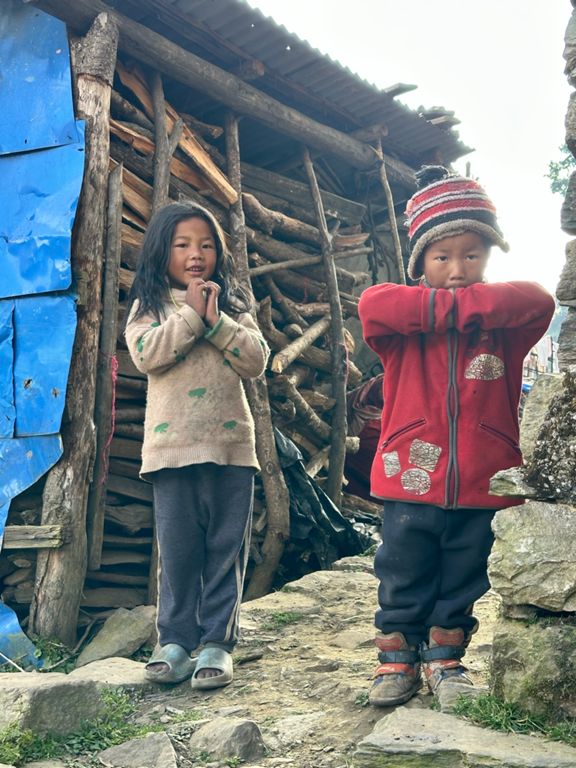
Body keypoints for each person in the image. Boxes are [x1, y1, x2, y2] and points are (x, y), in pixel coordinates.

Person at [358, 166, 555, 707]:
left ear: (489, 255)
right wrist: (447, 313)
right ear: (419, 260)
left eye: (472, 254)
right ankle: (395, 661)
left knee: (464, 575)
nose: (457, 267)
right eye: (441, 256)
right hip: (409, 478)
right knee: (401, 571)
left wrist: (455, 312)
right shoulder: (399, 327)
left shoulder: (506, 326)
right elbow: (373, 304)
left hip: (483, 477)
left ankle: (445, 660)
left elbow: (540, 300)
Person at [124, 201, 269, 690]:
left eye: (206, 244)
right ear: (161, 251)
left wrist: (218, 320)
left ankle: (216, 644)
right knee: (180, 551)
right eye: (182, 244)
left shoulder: (234, 305)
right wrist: (191, 314)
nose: (195, 254)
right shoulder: (149, 305)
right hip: (171, 451)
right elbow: (147, 355)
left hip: (231, 448)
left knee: (225, 549)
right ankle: (175, 642)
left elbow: (256, 361)